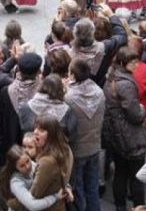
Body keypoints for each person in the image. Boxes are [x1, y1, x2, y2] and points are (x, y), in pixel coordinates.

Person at [102, 47, 146, 210]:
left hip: (116, 134)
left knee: (120, 172)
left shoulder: (111, 77)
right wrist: (143, 109)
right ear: (123, 63)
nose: (136, 65)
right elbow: (135, 114)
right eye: (133, 62)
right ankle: (139, 206)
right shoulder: (126, 84)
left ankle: (120, 206)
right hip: (130, 136)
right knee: (136, 176)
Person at [63, 59, 105, 211]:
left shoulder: (69, 98)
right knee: (92, 187)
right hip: (94, 146)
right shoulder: (99, 92)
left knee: (77, 188)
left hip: (77, 150)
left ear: (73, 75)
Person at [0, 145, 64, 211]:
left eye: (28, 161)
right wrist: (55, 197)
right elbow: (33, 206)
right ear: (15, 168)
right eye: (22, 166)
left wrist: (66, 186)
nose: (27, 167)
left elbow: (53, 176)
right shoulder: (15, 182)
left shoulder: (34, 164)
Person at [31, 114, 74, 211]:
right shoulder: (66, 149)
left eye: (41, 130)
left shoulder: (47, 161)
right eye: (35, 128)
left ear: (51, 134)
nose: (35, 132)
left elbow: (35, 193)